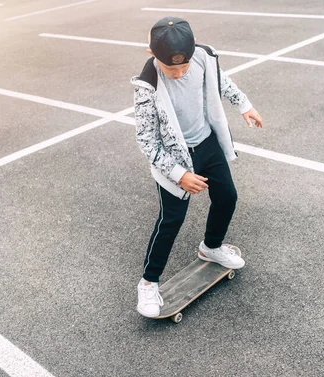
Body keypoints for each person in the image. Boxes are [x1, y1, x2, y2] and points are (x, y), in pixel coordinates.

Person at [130, 17, 263, 318]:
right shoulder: (146, 86)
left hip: (206, 143)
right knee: (171, 220)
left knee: (227, 197)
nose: (177, 74)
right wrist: (180, 175)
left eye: (183, 67)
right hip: (174, 159)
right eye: (170, 68)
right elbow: (147, 142)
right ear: (152, 54)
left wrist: (245, 105)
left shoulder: (203, 58)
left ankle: (211, 247)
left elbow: (222, 82)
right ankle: (149, 283)